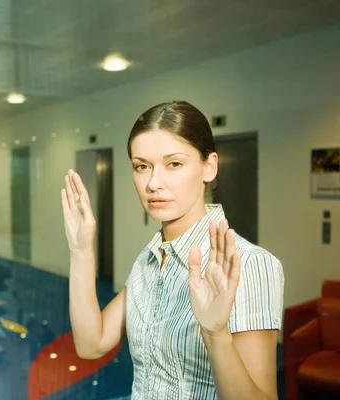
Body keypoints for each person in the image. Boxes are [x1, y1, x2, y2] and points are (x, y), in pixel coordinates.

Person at [61, 100, 284, 399]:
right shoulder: (149, 261)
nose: (153, 182)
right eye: (142, 166)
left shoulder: (250, 264)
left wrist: (216, 335)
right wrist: (81, 249)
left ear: (209, 167)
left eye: (174, 164)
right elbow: (91, 344)